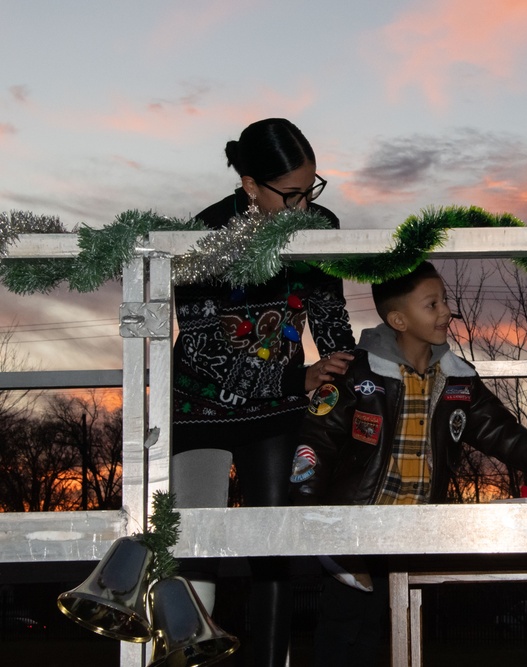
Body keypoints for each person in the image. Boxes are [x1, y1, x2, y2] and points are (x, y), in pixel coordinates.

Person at [293, 261, 527, 664]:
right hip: (355, 530)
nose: (446, 311)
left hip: (412, 531)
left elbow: (500, 431)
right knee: (342, 625)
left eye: (444, 300)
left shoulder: (457, 379)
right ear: (398, 318)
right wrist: (315, 528)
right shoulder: (353, 374)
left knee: (379, 629)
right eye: (432, 304)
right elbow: (315, 444)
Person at [170, 118, 355, 667]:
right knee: (193, 547)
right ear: (250, 183)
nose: (303, 207)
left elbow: (329, 311)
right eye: (290, 194)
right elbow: (201, 344)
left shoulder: (318, 227)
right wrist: (293, 378)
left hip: (277, 412)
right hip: (201, 409)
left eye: (312, 190)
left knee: (274, 548)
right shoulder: (204, 233)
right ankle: (185, 654)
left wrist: (346, 366)